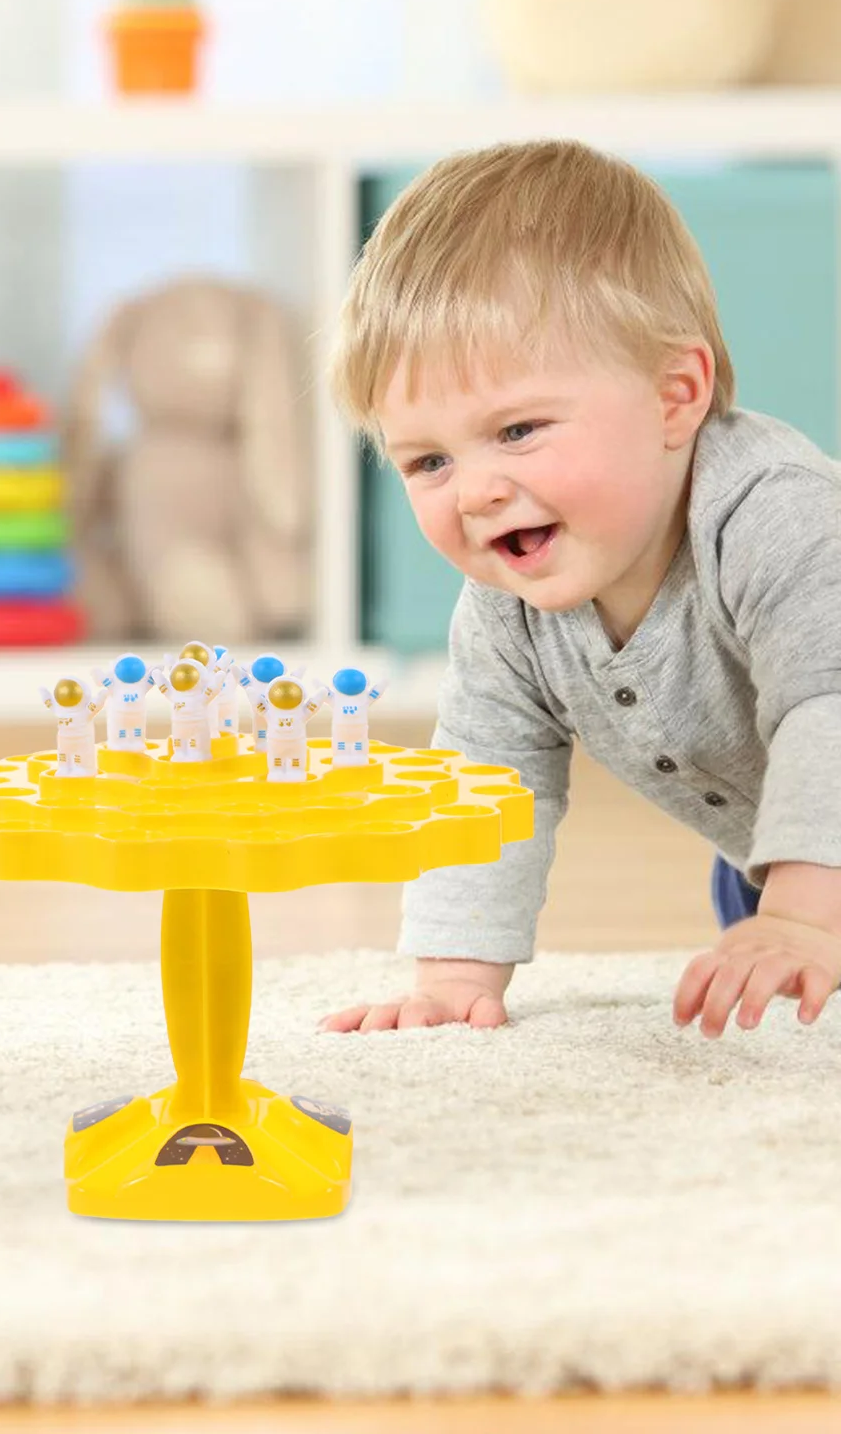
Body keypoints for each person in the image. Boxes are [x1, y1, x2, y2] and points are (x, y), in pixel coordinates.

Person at [319, 139, 841, 1041]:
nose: (475, 490)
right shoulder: (505, 611)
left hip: (812, 841)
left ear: (676, 396)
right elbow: (487, 775)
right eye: (429, 460)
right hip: (775, 858)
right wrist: (451, 975)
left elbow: (827, 709)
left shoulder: (779, 519)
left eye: (517, 430)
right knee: (767, 956)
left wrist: (803, 914)